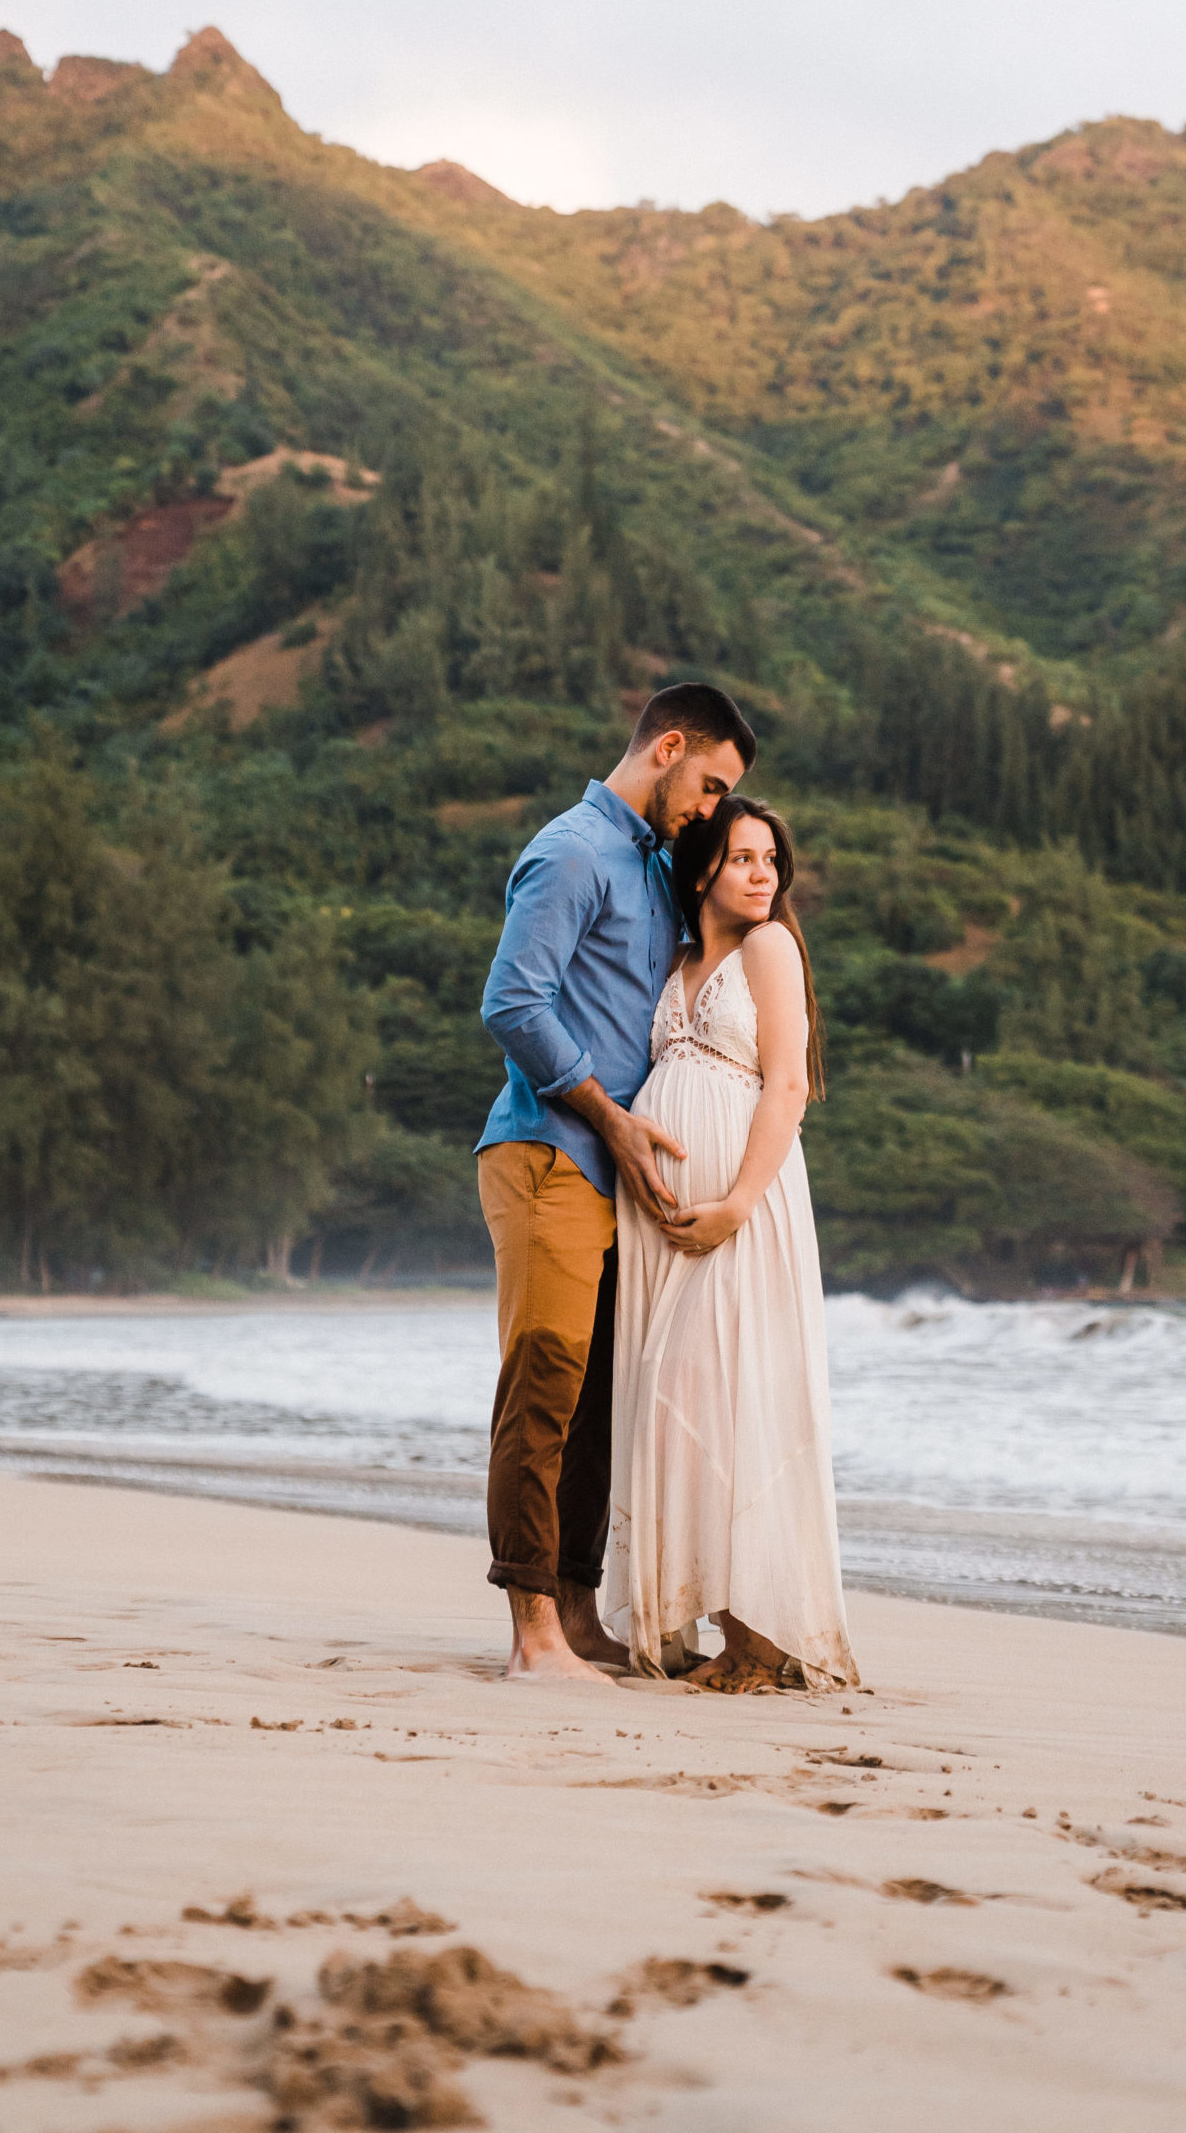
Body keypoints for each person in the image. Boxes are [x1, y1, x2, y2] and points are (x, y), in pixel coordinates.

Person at [476, 684, 758, 1681]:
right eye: (712, 782)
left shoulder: (650, 866)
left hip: (613, 1173)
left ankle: (579, 1615)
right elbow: (512, 1000)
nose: (714, 807)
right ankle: (531, 1634)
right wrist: (606, 1115)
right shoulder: (572, 850)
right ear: (668, 745)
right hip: (548, 1150)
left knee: (597, 1402)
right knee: (545, 1383)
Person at [606, 794, 858, 1692]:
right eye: (744, 858)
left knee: (731, 1394)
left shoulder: (769, 947)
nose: (763, 876)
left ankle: (761, 1633)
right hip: (669, 1226)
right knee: (677, 1401)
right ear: (703, 865)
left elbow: (785, 1087)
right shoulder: (674, 959)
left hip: (741, 1212)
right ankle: (715, 1619)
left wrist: (735, 1204)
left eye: (770, 861)